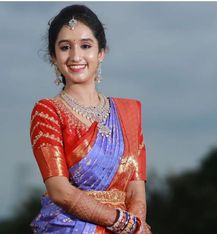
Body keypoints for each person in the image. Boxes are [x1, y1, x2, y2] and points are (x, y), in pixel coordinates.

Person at [30, 4, 151, 234]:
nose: (76, 56)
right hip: (71, 228)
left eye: (85, 46)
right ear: (54, 57)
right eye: (65, 47)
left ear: (101, 52)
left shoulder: (129, 112)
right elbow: (60, 191)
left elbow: (136, 189)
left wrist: (135, 227)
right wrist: (124, 223)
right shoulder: (48, 111)